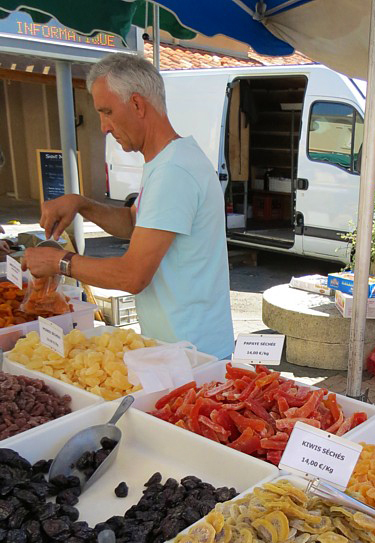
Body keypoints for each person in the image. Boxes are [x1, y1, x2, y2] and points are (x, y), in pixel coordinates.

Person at [22, 53, 234, 359]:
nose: (103, 127)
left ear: (137, 104)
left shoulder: (174, 171)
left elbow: (132, 276)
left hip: (193, 354)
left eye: (107, 112)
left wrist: (60, 262)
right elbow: (135, 223)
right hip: (180, 347)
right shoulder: (167, 161)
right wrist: (81, 204)